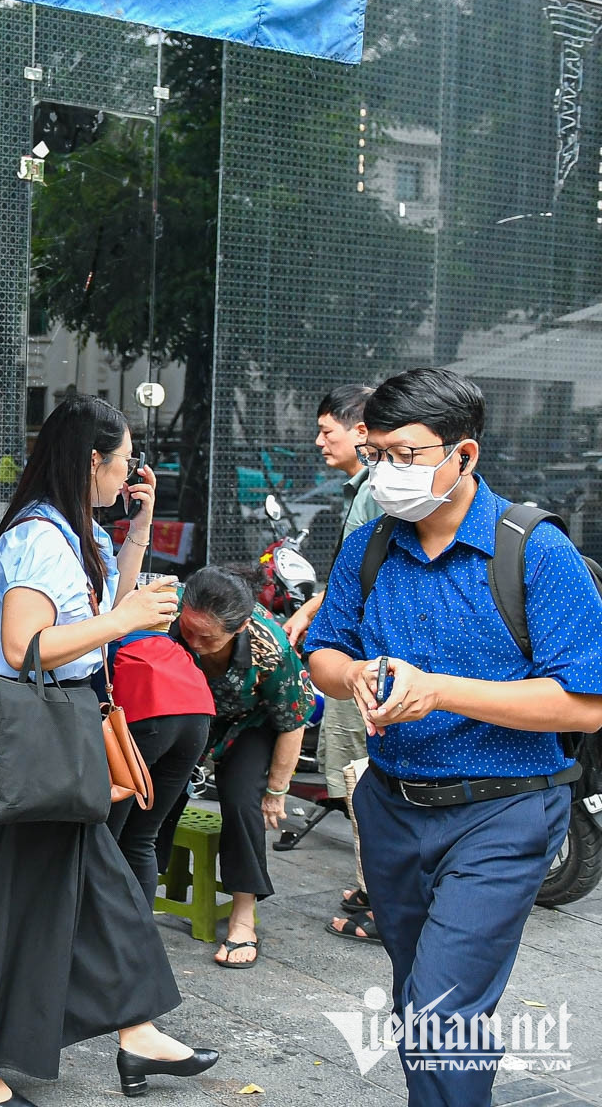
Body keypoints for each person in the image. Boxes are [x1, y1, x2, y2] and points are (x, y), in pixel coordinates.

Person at [0, 395, 217, 1106]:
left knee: (96, 885)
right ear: (92, 461)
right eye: (126, 459)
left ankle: (136, 1035)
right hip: (24, 733)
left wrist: (135, 531)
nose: (131, 471)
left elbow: (105, 611)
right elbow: (25, 646)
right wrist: (127, 618)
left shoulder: (75, 532)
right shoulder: (42, 537)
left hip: (47, 729)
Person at [304, 367, 602, 1107]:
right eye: (377, 455)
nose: (387, 472)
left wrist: (437, 691)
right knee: (419, 1004)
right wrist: (356, 679)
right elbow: (325, 650)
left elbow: (585, 703)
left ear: (463, 455)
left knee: (441, 1010)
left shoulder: (536, 551)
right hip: (393, 808)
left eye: (407, 456)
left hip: (504, 810)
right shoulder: (369, 546)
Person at [166, 567, 313, 969]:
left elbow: (292, 720)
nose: (194, 644)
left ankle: (242, 915)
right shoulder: (164, 609)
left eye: (208, 638)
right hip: (181, 710)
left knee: (242, 799)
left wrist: (277, 791)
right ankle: (133, 898)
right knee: (158, 789)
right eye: (188, 630)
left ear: (241, 626)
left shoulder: (271, 647)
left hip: (248, 722)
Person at [282, 383, 384, 943]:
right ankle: (378, 886)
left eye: (328, 430)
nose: (319, 440)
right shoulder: (363, 490)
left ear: (362, 432)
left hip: (364, 660)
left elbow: (368, 577)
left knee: (364, 779)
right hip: (359, 654)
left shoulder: (376, 491)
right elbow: (356, 573)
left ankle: (389, 903)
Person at [103, 628, 215, 913]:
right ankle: (140, 943)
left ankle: (96, 940)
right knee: (142, 838)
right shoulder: (161, 632)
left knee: (103, 839)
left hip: (149, 713)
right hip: (197, 713)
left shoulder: (103, 627)